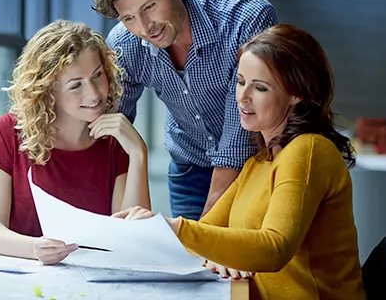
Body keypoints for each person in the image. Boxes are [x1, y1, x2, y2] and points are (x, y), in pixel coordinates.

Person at [112, 24, 366, 300]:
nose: (242, 97)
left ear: (297, 94)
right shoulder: (259, 160)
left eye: (260, 87)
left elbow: (274, 248)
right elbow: (208, 233)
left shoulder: (308, 149)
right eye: (241, 81)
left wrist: (172, 227)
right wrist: (215, 254)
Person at [91, 0, 277, 219]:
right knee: (192, 261)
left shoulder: (243, 19)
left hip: (258, 166)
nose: (144, 27)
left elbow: (241, 129)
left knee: (245, 258)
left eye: (150, 6)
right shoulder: (125, 43)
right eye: (129, 17)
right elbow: (110, 123)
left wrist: (205, 229)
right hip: (190, 167)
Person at [0, 20, 150, 265]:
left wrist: (138, 153)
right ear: (48, 91)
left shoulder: (116, 142)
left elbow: (134, 239)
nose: (94, 93)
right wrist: (34, 248)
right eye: (76, 85)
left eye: (98, 75)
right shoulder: (7, 132)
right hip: (24, 275)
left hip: (96, 278)